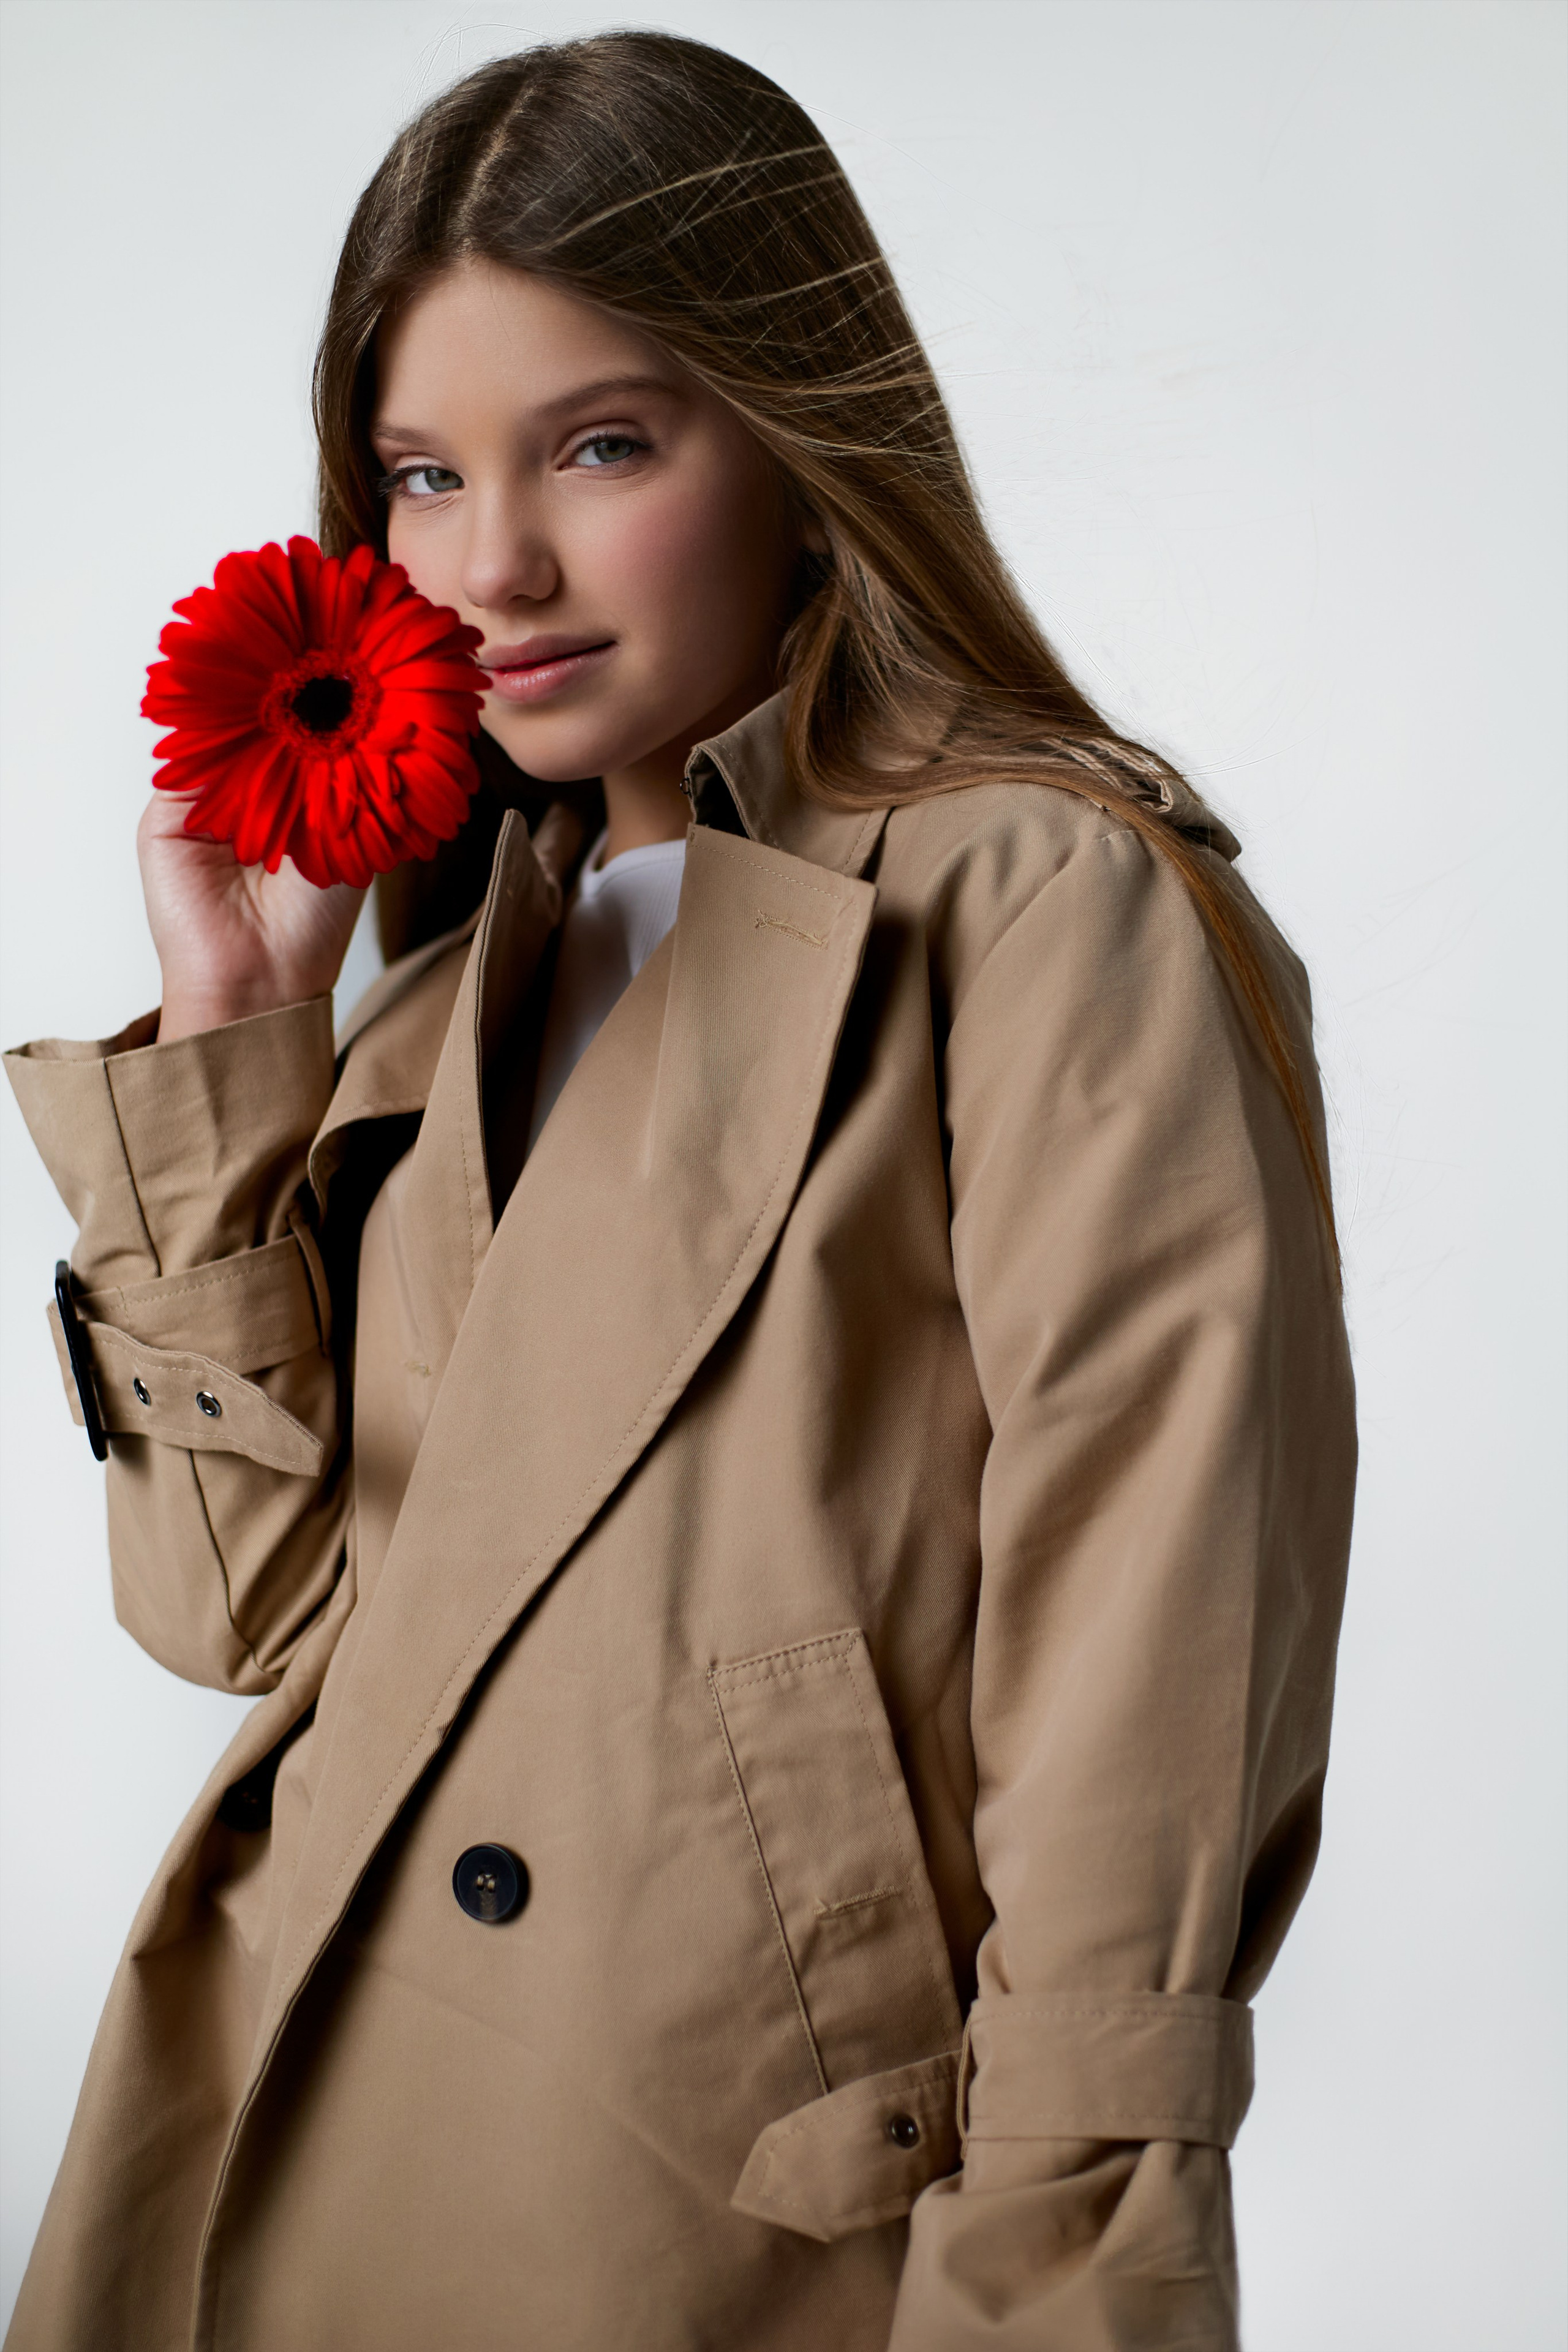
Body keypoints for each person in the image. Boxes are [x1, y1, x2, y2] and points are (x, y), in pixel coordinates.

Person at [2, 31, 1355, 2351]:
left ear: (805, 444)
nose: (494, 562)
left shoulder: (1032, 898)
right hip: (298, 2102)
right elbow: (241, 1619)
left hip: (723, 2209)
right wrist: (240, 1033)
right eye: (421, 476)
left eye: (603, 446)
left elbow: (1151, 1692)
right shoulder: (460, 973)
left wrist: (1058, 2294)